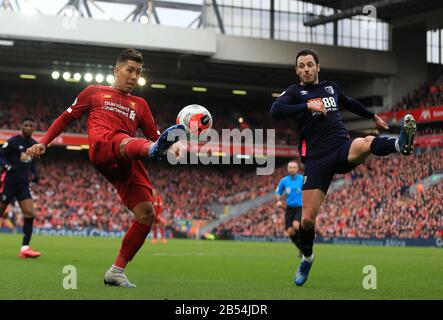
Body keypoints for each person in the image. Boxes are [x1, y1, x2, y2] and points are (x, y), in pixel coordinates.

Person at [27, 48, 186, 288]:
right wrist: (43, 142)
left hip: (128, 157)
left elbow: (155, 136)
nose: (133, 76)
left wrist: (172, 148)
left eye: (138, 72)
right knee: (124, 139)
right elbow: (66, 118)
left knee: (147, 214)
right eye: (130, 70)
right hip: (104, 147)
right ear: (117, 70)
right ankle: (148, 151)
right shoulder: (94, 92)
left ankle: (116, 271)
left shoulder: (140, 104)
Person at [270, 48, 416, 286]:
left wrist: (372, 116)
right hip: (317, 161)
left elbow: (348, 102)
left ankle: (400, 145)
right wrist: (307, 107)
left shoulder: (331, 87)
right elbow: (275, 110)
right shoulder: (296, 92)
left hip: (341, 148)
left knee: (366, 142)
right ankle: (307, 258)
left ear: (318, 67)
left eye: (310, 64)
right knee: (307, 221)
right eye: (301, 66)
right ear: (297, 71)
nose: (306, 69)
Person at [0, 116, 41, 258]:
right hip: (9, 182)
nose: (29, 127)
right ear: (21, 126)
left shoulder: (34, 144)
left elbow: (32, 163)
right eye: (26, 125)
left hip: (23, 183)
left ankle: (25, 248)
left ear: (34, 127)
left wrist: (35, 174)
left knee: (30, 213)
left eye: (31, 125)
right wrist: (7, 165)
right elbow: (1, 156)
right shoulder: (13, 141)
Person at [275, 160, 303, 257]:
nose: (292, 169)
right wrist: (278, 200)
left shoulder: (302, 179)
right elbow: (278, 192)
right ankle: (302, 249)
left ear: (297, 169)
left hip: (300, 207)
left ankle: (306, 240)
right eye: (290, 167)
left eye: (294, 167)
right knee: (290, 231)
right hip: (289, 208)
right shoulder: (284, 181)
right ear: (287, 169)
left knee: (296, 225)